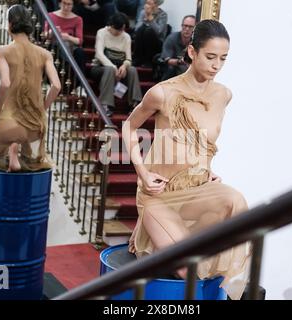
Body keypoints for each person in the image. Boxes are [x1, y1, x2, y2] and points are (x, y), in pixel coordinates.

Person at [122, 19, 251, 300]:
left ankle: (234, 293)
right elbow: (129, 126)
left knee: (237, 201)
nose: (217, 65)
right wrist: (142, 173)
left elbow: (202, 142)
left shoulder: (223, 95)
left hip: (198, 189)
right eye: (210, 57)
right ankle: (151, 232)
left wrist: (207, 168)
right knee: (187, 268)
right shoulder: (162, 92)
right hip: (159, 194)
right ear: (192, 52)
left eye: (223, 59)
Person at [0, 5, 61, 172]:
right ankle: (18, 154)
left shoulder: (1, 52)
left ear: (10, 24)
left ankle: (10, 152)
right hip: (35, 126)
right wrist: (43, 108)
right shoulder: (45, 54)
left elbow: (5, 83)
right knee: (29, 156)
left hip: (9, 123)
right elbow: (56, 86)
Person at [90, 12, 143, 116]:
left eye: (122, 30)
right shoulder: (102, 32)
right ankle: (105, 105)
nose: (120, 32)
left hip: (119, 69)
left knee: (132, 70)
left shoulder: (126, 37)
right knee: (109, 70)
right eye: (118, 29)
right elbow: (99, 54)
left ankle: (135, 104)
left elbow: (128, 59)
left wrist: (124, 66)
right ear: (112, 25)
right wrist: (113, 67)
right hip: (100, 68)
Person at [44, 0, 86, 73]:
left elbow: (79, 40)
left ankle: (78, 81)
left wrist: (67, 37)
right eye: (64, 3)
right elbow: (45, 35)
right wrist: (53, 32)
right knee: (54, 48)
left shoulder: (78, 19)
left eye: (69, 4)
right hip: (54, 44)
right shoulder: (50, 15)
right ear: (59, 3)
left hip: (70, 46)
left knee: (80, 53)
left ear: (72, 5)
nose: (66, 7)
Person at [159, 15, 196, 81]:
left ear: (195, 28)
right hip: (172, 68)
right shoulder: (172, 38)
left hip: (188, 68)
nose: (187, 29)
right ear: (181, 26)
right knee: (171, 68)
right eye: (185, 26)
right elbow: (166, 60)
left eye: (190, 27)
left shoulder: (196, 42)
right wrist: (181, 61)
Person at [133, 0, 167, 67]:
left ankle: (148, 61)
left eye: (149, 3)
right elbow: (136, 29)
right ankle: (137, 59)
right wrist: (144, 20)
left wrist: (151, 19)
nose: (146, 5)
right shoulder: (143, 12)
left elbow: (159, 32)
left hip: (157, 42)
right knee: (141, 29)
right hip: (142, 39)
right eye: (146, 3)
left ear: (156, 4)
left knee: (149, 31)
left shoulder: (163, 15)